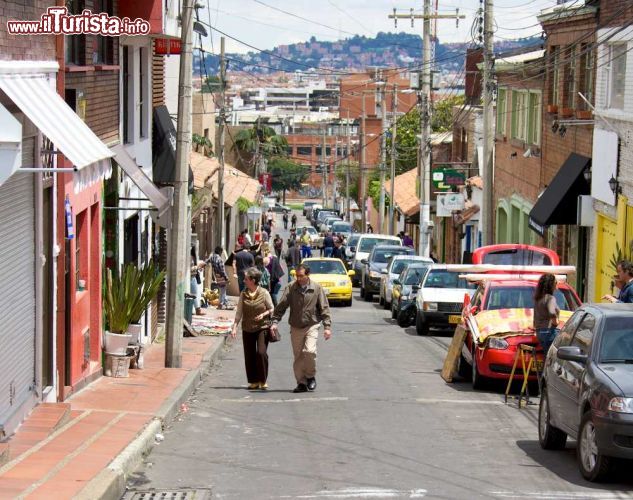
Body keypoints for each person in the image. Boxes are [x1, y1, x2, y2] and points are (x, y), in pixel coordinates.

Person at [271, 264, 332, 393]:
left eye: (301, 276)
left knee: (309, 351)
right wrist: (275, 321)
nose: (298, 278)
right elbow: (281, 306)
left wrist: (327, 326)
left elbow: (324, 307)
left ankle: (310, 376)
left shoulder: (316, 288)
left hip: (312, 324)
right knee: (298, 356)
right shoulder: (291, 288)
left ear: (308, 275)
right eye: (296, 276)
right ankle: (301, 383)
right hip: (296, 326)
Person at [231, 267, 275, 390]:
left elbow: (272, 308)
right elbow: (239, 312)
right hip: (247, 328)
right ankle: (253, 381)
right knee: (249, 355)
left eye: (246, 279)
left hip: (262, 327)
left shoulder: (264, 293)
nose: (244, 281)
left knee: (261, 352)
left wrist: (263, 314)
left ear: (253, 280)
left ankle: (263, 379)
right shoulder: (243, 294)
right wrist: (234, 327)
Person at [533, 273, 560, 355]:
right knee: (554, 358)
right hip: (549, 332)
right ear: (551, 284)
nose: (557, 284)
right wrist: (555, 323)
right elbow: (552, 312)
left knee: (547, 357)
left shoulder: (538, 298)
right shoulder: (550, 298)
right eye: (555, 282)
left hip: (539, 333)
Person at [190, 246, 203, 315]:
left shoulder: (193, 257)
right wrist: (197, 266)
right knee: (193, 295)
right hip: (191, 277)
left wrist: (198, 268)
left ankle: (196, 309)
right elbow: (188, 268)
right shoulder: (189, 257)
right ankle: (197, 309)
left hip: (193, 277)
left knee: (193, 294)